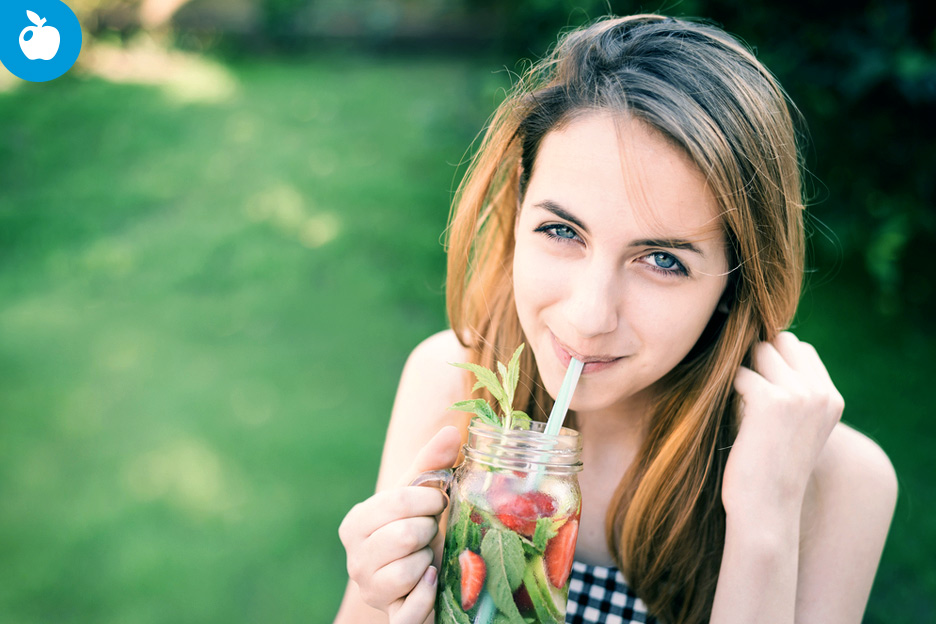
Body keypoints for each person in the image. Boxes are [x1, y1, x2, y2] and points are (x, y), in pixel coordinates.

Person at [334, 14, 897, 624]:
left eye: (661, 260)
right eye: (560, 230)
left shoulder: (837, 481)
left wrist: (765, 519)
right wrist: (381, 602)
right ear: (521, 203)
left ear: (738, 279)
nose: (589, 314)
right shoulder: (453, 384)